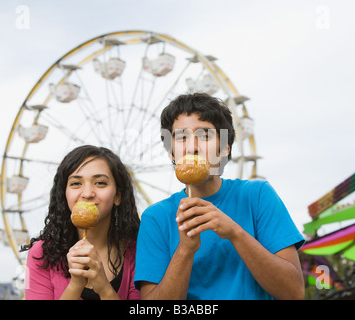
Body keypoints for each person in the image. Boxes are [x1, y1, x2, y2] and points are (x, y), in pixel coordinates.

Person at [134, 93, 305, 300]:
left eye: (205, 135)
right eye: (181, 138)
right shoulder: (156, 217)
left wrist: (234, 232)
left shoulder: (257, 196)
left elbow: (294, 293)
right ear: (171, 152)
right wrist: (185, 251)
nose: (193, 147)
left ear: (225, 147)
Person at [23, 145, 140, 300]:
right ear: (64, 194)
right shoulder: (41, 254)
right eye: (76, 183)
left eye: (100, 183)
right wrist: (76, 284)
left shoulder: (138, 251)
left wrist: (104, 287)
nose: (87, 194)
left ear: (118, 196)